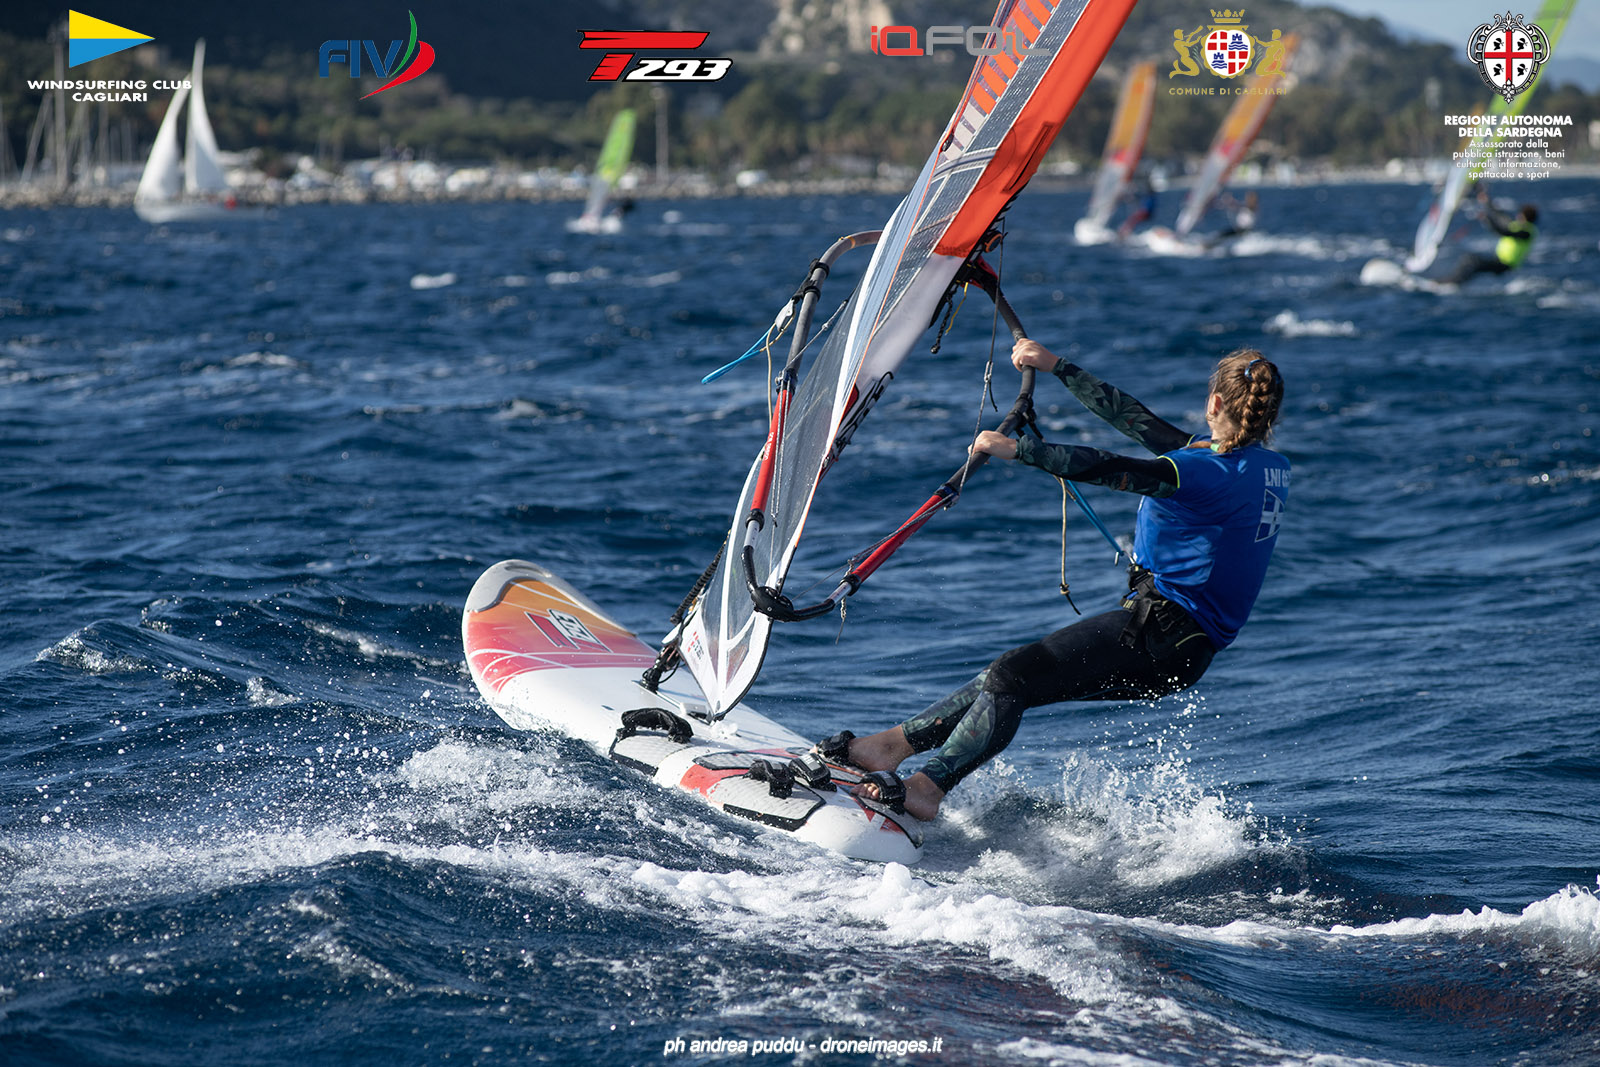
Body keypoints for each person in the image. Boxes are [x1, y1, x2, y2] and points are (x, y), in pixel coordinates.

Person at [821, 343, 1289, 821]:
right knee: (1005, 675)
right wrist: (1057, 368)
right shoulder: (1266, 468)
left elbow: (1115, 468)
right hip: (1181, 646)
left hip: (1160, 636)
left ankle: (926, 789)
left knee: (1013, 676)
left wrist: (1020, 450)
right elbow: (1139, 422)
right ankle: (887, 747)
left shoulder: (1201, 472)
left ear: (1214, 402)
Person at [1443, 190, 1536, 284]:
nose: (1518, 216)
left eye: (1520, 215)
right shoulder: (1516, 226)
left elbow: (1504, 232)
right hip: (1498, 261)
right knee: (1471, 261)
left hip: (1505, 265)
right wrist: (1487, 201)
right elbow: (1499, 215)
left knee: (1472, 262)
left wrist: (1486, 219)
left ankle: (1452, 283)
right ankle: (1453, 282)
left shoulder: (1526, 233)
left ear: (1524, 217)